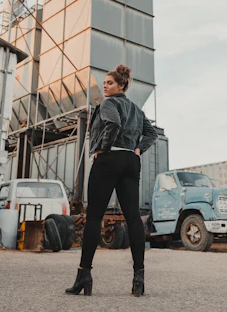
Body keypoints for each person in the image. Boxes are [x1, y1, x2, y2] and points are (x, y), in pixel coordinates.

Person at [65, 64, 158, 297]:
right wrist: (138, 149)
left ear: (121, 85)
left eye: (109, 83)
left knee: (95, 216)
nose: (104, 86)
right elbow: (152, 133)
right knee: (133, 218)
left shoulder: (108, 104)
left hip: (109, 159)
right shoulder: (136, 109)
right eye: (104, 83)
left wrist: (103, 148)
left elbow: (113, 123)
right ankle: (139, 277)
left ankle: (83, 274)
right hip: (130, 162)